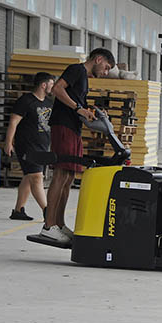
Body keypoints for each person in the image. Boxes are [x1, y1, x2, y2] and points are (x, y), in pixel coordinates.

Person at [39, 48, 115, 246]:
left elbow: (77, 100)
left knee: (70, 175)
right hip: (63, 125)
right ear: (98, 59)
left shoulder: (83, 78)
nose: (105, 72)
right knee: (61, 174)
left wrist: (92, 111)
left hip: (73, 127)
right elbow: (57, 89)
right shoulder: (76, 70)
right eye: (106, 67)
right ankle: (49, 226)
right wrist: (77, 108)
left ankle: (60, 224)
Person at [4, 72, 54, 221]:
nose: (53, 87)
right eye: (51, 84)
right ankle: (48, 211)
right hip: (27, 145)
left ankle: (18, 210)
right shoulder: (26, 101)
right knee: (37, 177)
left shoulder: (48, 103)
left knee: (28, 177)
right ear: (43, 85)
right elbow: (13, 122)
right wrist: (8, 142)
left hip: (42, 146)